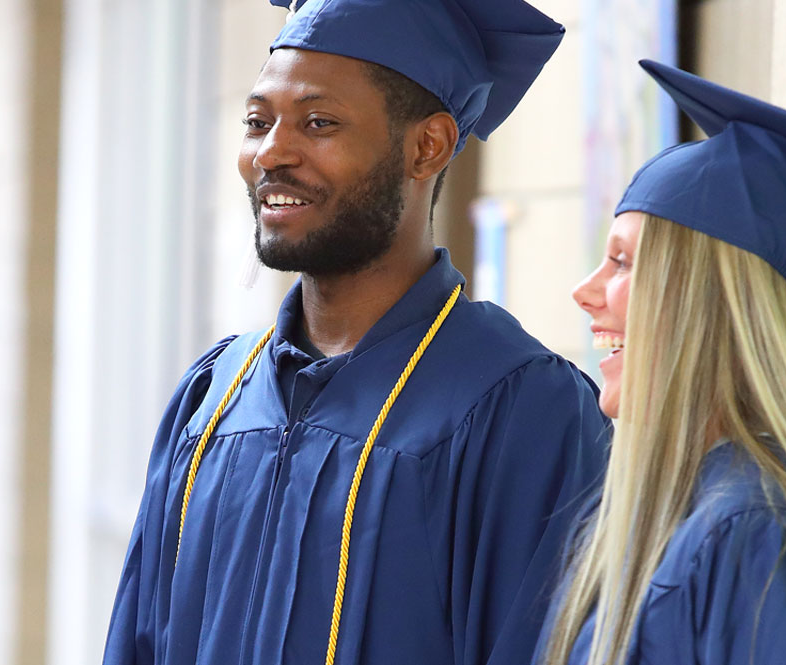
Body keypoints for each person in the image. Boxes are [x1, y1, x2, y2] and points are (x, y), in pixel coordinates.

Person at [101, 1, 610, 664]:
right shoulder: (212, 398)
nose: (271, 153)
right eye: (257, 121)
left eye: (319, 122)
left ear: (426, 146)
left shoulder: (522, 410)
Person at [544, 61, 786, 665]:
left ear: (713, 301)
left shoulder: (762, 535)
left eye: (623, 263)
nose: (585, 290)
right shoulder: (676, 513)